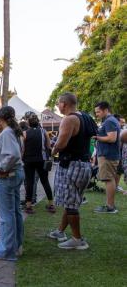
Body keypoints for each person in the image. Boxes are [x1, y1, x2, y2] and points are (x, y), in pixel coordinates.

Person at [48, 93, 92, 250]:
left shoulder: (69, 119)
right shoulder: (86, 117)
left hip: (71, 165)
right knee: (71, 202)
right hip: (84, 165)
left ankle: (77, 239)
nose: (58, 107)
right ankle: (60, 231)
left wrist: (52, 152)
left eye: (58, 104)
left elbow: (61, 144)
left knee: (70, 203)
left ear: (63, 104)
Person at [0, 106, 25, 260]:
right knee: (14, 212)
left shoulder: (8, 132)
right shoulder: (13, 131)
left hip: (6, 176)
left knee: (6, 215)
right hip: (13, 175)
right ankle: (14, 245)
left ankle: (6, 250)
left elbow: (13, 155)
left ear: (0, 118)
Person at [22, 113, 56, 214]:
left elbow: (22, 149)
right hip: (42, 159)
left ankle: (28, 206)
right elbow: (49, 146)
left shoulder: (25, 133)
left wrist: (21, 158)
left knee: (29, 182)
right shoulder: (43, 131)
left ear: (28, 123)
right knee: (45, 181)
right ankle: (51, 204)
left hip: (28, 160)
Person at [93, 102, 121, 213]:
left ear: (105, 110)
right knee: (109, 179)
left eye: (98, 112)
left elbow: (112, 138)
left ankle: (110, 207)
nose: (97, 114)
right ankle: (110, 205)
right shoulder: (109, 120)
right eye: (96, 112)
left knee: (109, 179)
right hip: (107, 154)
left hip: (108, 155)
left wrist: (97, 137)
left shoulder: (109, 121)